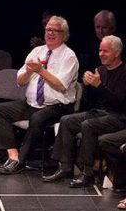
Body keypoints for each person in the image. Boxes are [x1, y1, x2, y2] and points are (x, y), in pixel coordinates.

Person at [0, 16, 78, 174]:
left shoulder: (69, 56)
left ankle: (22, 161)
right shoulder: (37, 51)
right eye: (48, 29)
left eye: (55, 30)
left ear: (64, 34)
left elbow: (61, 86)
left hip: (58, 106)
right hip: (32, 104)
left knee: (37, 118)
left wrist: (41, 71)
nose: (50, 33)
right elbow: (20, 81)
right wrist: (30, 71)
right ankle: (13, 155)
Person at [43, 35, 126, 187]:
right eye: (100, 50)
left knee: (88, 125)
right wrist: (88, 85)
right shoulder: (100, 70)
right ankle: (65, 167)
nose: (101, 54)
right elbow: (90, 103)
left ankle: (87, 173)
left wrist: (99, 86)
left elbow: (120, 103)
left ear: (116, 53)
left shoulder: (124, 73)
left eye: (105, 51)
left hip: (119, 116)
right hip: (100, 112)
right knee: (66, 120)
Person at [79, 10, 117, 76]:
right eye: (97, 27)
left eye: (104, 27)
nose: (100, 31)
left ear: (113, 28)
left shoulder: (120, 45)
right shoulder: (89, 43)